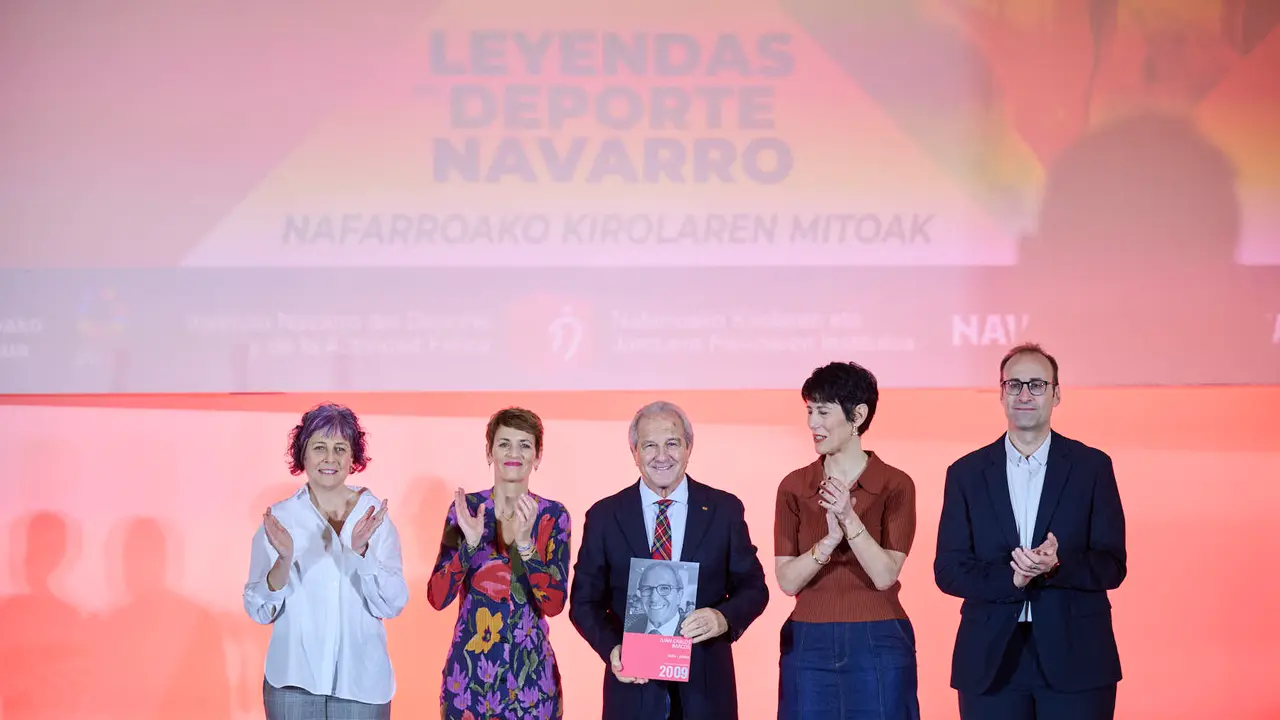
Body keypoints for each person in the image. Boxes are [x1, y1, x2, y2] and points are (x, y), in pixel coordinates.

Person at [935, 343, 1127, 720]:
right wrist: (1014, 577)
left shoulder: (1092, 467)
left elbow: (1112, 565)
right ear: (1001, 393)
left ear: (1056, 394)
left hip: (1078, 656)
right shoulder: (966, 473)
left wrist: (1056, 566)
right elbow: (949, 570)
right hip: (991, 659)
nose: (1024, 395)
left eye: (1037, 385)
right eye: (1014, 385)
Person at [569, 401, 770, 720]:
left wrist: (722, 618)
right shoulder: (605, 516)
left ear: (689, 447)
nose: (662, 456)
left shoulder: (724, 509)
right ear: (634, 452)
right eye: (649, 445)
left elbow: (754, 588)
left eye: (672, 443)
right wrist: (612, 649)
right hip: (633, 692)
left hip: (706, 692)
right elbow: (584, 602)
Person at [774, 361, 921, 719]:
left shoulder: (895, 484)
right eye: (809, 411)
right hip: (808, 639)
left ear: (858, 415)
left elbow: (885, 575)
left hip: (879, 637)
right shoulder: (794, 486)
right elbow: (787, 579)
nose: (812, 424)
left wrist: (849, 518)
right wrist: (826, 543)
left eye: (823, 412)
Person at [243, 403, 408, 720]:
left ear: (352, 458)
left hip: (362, 683)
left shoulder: (374, 516)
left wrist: (362, 554)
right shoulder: (281, 518)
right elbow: (259, 609)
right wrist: (284, 560)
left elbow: (393, 603)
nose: (329, 458)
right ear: (302, 454)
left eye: (340, 448)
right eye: (319, 447)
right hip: (292, 682)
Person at [427, 407, 571, 720]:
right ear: (490, 451)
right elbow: (437, 598)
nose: (514, 453)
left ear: (538, 454)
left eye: (525, 444)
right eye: (504, 443)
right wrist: (470, 546)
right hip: (469, 680)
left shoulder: (553, 516)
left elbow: (555, 604)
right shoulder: (465, 510)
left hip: (531, 679)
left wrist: (526, 546)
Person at [623, 561, 689, 634]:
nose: (654, 598)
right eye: (647, 588)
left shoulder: (694, 630)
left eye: (664, 588)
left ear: (679, 596)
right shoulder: (630, 629)